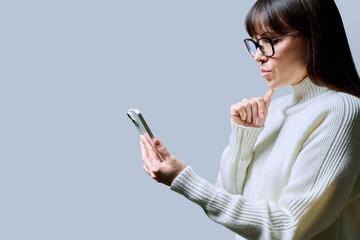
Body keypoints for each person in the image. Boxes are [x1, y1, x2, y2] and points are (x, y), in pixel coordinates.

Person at [139, 0, 360, 239]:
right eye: (256, 42)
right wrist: (244, 138)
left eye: (271, 41)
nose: (258, 56)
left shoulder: (342, 110)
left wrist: (182, 178)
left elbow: (288, 227)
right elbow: (229, 196)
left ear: (315, 36)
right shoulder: (275, 110)